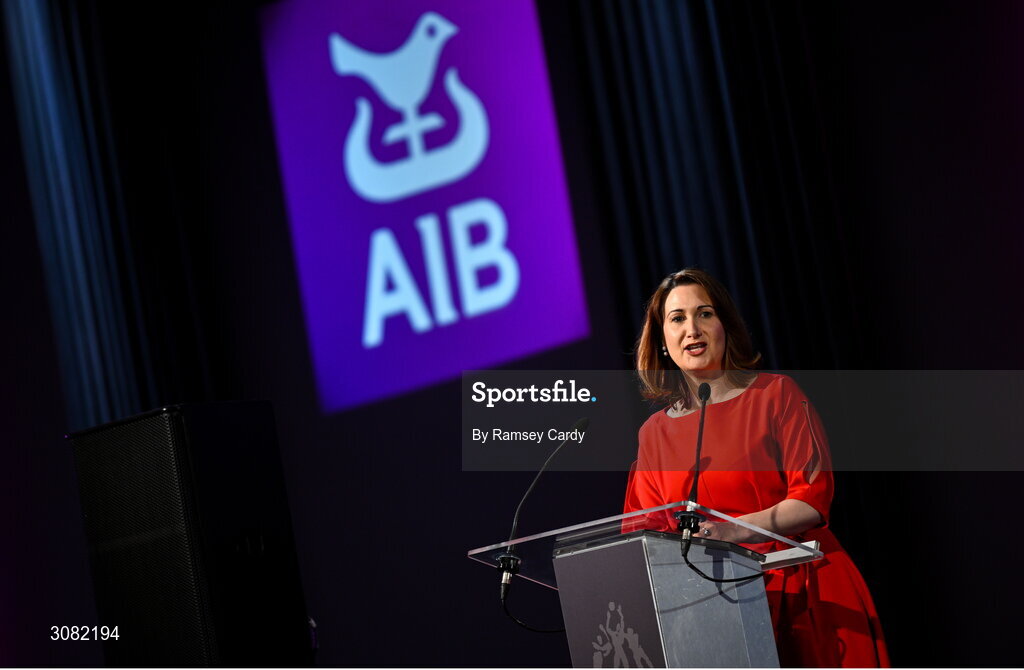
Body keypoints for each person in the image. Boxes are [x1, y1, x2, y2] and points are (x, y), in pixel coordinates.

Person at [623, 268, 890, 668]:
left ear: (725, 325)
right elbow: (646, 537)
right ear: (662, 340)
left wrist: (732, 530)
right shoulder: (653, 435)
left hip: (808, 592)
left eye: (705, 314)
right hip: (721, 609)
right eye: (676, 319)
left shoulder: (776, 396)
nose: (692, 329)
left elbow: (812, 501)